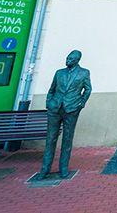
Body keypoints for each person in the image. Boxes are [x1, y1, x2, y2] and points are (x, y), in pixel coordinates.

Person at [38, 50, 91, 179]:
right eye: (67, 58)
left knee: (67, 139)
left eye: (71, 59)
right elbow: (52, 90)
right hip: (55, 108)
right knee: (50, 139)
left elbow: (88, 89)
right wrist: (49, 103)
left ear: (77, 60)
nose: (68, 61)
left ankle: (63, 169)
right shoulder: (59, 73)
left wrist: (81, 104)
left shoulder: (84, 73)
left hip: (71, 109)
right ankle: (44, 170)